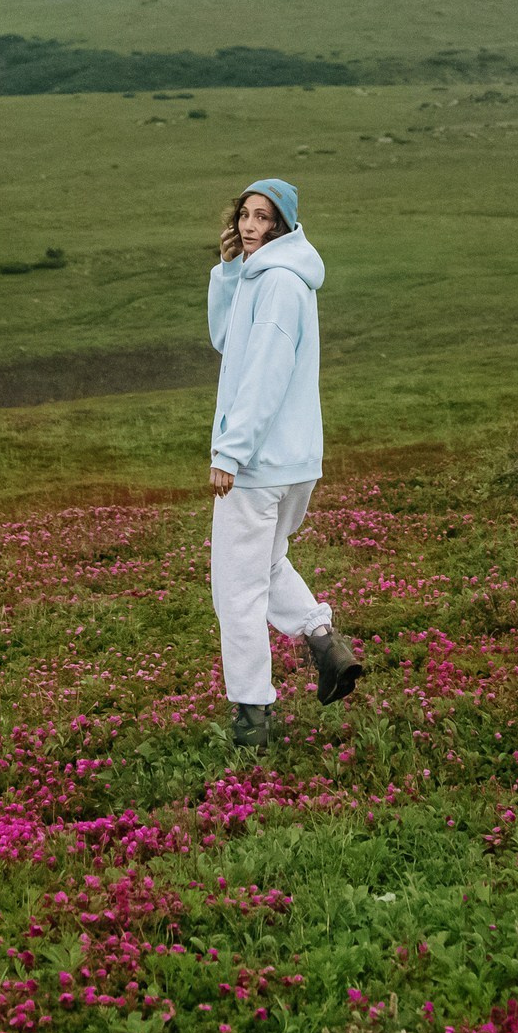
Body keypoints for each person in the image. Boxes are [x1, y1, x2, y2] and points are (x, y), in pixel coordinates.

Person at [207, 177, 362, 747]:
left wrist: (231, 452)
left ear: (284, 226)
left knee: (236, 592)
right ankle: (324, 641)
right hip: (295, 463)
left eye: (264, 218)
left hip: (259, 465)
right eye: (245, 215)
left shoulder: (276, 286)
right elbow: (226, 340)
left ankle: (252, 719)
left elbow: (263, 377)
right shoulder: (267, 278)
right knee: (266, 565)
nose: (250, 226)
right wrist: (227, 274)